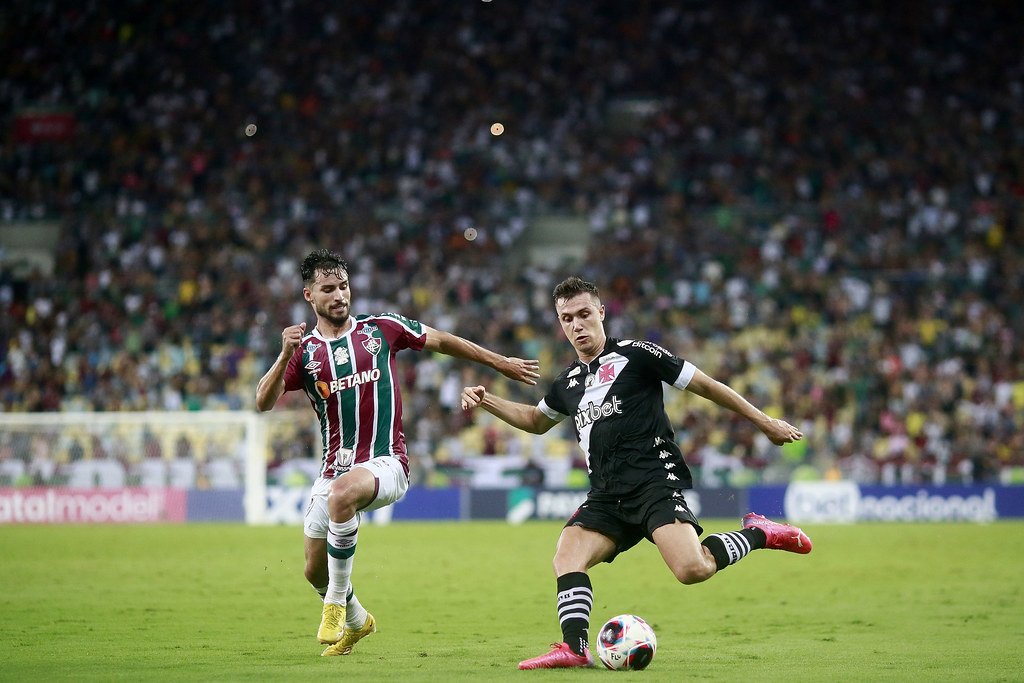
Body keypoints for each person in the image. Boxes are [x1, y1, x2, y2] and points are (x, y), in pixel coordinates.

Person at [460, 276, 812, 670]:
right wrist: (486, 399)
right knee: (567, 555)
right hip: (607, 496)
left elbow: (707, 386)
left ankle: (760, 532)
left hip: (653, 484)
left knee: (692, 570)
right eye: (566, 318)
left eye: (584, 314)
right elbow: (534, 420)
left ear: (601, 313)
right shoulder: (568, 383)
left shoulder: (637, 354)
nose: (577, 325)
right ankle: (574, 648)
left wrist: (764, 421)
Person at [256, 248, 540, 657]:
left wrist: (501, 364)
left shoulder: (381, 329)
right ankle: (357, 620)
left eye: (344, 286)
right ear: (309, 296)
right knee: (311, 569)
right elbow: (263, 402)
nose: (339, 295)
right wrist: (283, 353)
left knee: (342, 497)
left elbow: (444, 340)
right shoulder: (305, 354)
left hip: (387, 461)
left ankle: (335, 604)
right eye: (328, 289)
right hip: (333, 469)